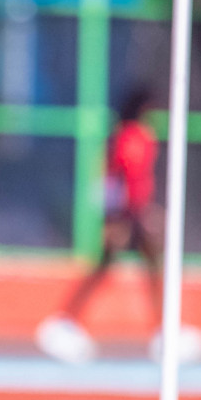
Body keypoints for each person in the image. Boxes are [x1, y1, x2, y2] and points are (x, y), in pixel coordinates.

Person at [38, 89, 164, 364]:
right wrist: (111, 220)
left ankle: (162, 330)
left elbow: (140, 182)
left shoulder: (144, 138)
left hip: (137, 215)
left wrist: (147, 210)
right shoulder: (127, 138)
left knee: (154, 268)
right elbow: (113, 180)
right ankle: (65, 320)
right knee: (103, 268)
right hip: (124, 216)